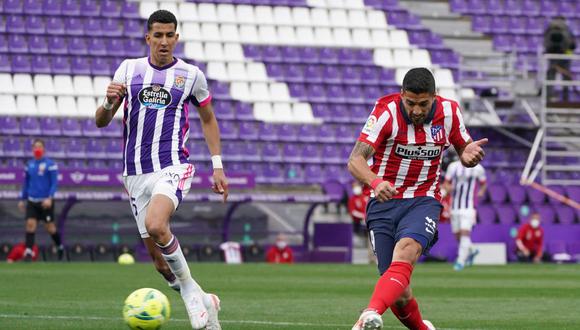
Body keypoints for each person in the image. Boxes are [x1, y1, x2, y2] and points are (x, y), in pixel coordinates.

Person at [94, 10, 228, 330]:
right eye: (158, 35)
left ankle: (192, 297)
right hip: (135, 173)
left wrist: (218, 165)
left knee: (157, 224)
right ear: (148, 38)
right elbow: (100, 120)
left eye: (170, 35)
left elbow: (208, 118)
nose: (164, 42)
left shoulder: (191, 75)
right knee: (159, 263)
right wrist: (109, 103)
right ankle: (205, 302)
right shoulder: (129, 69)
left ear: (176, 38)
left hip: (172, 165)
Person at [348, 68, 487, 330]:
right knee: (399, 291)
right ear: (402, 96)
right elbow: (355, 160)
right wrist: (375, 182)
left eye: (423, 104)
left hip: (424, 199)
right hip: (384, 202)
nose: (416, 110)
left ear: (434, 97)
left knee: (407, 250)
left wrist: (468, 156)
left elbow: (464, 148)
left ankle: (367, 316)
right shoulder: (385, 111)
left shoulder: (449, 112)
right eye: (410, 103)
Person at [17, 139, 64, 261]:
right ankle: (28, 252)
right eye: (35, 147)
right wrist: (22, 199)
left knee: (50, 227)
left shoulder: (50, 164)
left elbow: (54, 183)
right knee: (30, 225)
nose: (37, 149)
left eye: (39, 147)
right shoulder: (29, 165)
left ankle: (60, 247)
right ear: (32, 149)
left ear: (43, 149)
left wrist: (50, 198)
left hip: (45, 202)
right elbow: (26, 183)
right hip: (32, 201)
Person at [443, 159, 487, 271]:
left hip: (469, 207)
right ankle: (472, 250)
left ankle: (460, 261)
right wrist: (447, 188)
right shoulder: (453, 166)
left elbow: (483, 183)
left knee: (464, 233)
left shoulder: (478, 168)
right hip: (455, 207)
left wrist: (481, 192)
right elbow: (446, 183)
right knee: (458, 236)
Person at [544, 16, 576, 102]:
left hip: (559, 58)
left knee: (555, 78)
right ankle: (561, 99)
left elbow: (572, 45)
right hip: (559, 58)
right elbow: (572, 45)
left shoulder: (550, 30)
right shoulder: (567, 31)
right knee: (553, 79)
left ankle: (551, 98)